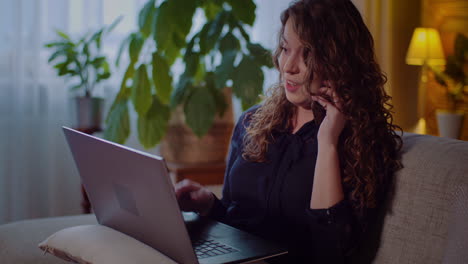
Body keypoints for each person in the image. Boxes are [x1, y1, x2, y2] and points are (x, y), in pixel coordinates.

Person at [175, 0, 402, 262]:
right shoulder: (252, 121)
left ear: (339, 61)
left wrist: (327, 143)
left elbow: (333, 252)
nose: (288, 66)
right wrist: (209, 206)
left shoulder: (363, 142)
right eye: (285, 48)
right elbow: (237, 223)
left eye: (307, 54)